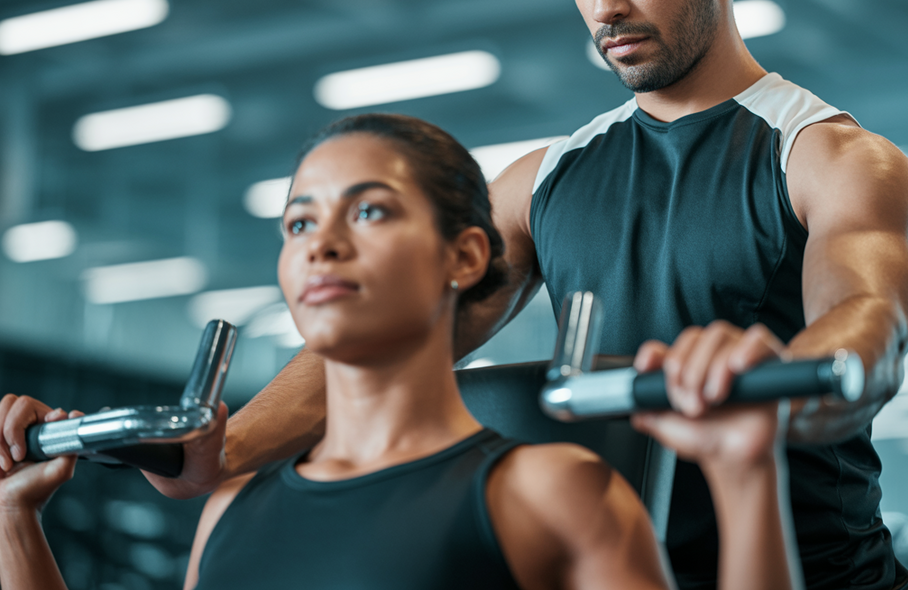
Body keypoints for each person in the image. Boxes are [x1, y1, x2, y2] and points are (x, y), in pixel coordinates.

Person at [1, 0, 908, 589]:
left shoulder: (828, 158)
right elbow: (399, 325)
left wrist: (770, 385)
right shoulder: (544, 180)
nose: (603, 5)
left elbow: (866, 326)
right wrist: (221, 449)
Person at [0, 113, 797, 590]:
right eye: (299, 223)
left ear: (465, 255)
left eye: (370, 211)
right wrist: (14, 518)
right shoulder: (230, 511)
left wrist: (745, 475)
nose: (322, 244)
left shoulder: (553, 491)